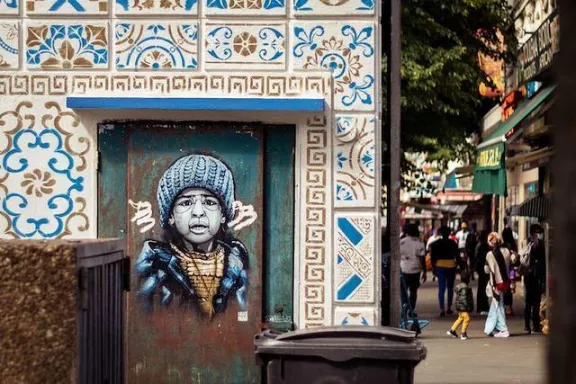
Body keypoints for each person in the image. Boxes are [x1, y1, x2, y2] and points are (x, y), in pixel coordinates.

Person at [135, 154, 249, 320]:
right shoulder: (154, 267)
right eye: (186, 203)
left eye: (209, 202)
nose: (198, 212)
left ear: (223, 214)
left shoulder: (237, 265)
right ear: (171, 216)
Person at [484, 232, 512, 338]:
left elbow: (486, 270)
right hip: (505, 282)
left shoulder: (490, 255)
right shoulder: (507, 251)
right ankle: (492, 327)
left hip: (496, 283)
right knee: (497, 304)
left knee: (498, 305)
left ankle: (503, 329)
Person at [523, 224, 547, 334]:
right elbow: (543, 262)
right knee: (536, 302)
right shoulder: (539, 244)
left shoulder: (527, 242)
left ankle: (527, 325)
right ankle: (535, 326)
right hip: (536, 277)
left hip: (528, 275)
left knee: (529, 302)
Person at [430, 226, 459, 317]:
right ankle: (449, 308)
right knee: (450, 288)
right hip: (451, 266)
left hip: (440, 266)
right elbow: (457, 256)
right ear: (449, 233)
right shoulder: (453, 243)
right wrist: (460, 266)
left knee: (441, 288)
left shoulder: (435, 244)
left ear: (440, 234)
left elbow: (432, 257)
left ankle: (442, 309)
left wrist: (434, 268)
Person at [400, 223, 427, 314]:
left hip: (404, 269)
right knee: (413, 291)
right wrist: (425, 271)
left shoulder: (401, 241)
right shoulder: (420, 242)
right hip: (416, 270)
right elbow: (422, 258)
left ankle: (404, 307)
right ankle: (411, 309)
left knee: (403, 291)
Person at [447, 271, 474, 340]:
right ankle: (463, 333)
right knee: (467, 318)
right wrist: (467, 306)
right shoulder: (465, 288)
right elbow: (464, 298)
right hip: (463, 307)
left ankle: (452, 330)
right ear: (468, 279)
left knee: (460, 318)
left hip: (459, 306)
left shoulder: (460, 287)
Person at [502, 226, 518, 315]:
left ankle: (506, 307)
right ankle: (509, 307)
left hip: (503, 269)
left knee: (504, 289)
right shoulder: (513, 244)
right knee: (510, 289)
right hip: (511, 270)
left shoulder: (502, 245)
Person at [475, 230, 490, 314]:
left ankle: (481, 307)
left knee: (482, 288)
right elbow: (480, 259)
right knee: (483, 288)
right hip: (483, 269)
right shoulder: (482, 246)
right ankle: (483, 307)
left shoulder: (480, 245)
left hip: (481, 269)